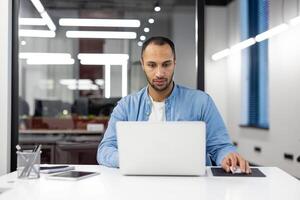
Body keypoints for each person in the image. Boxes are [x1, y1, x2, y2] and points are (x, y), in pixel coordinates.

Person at [97, 36, 251, 174]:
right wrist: (133, 160)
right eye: (152, 65)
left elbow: (221, 147)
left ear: (174, 63)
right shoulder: (126, 106)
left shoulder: (201, 102)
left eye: (166, 64)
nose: (159, 73)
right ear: (143, 65)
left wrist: (228, 157)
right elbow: (105, 150)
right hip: (140, 185)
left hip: (192, 187)